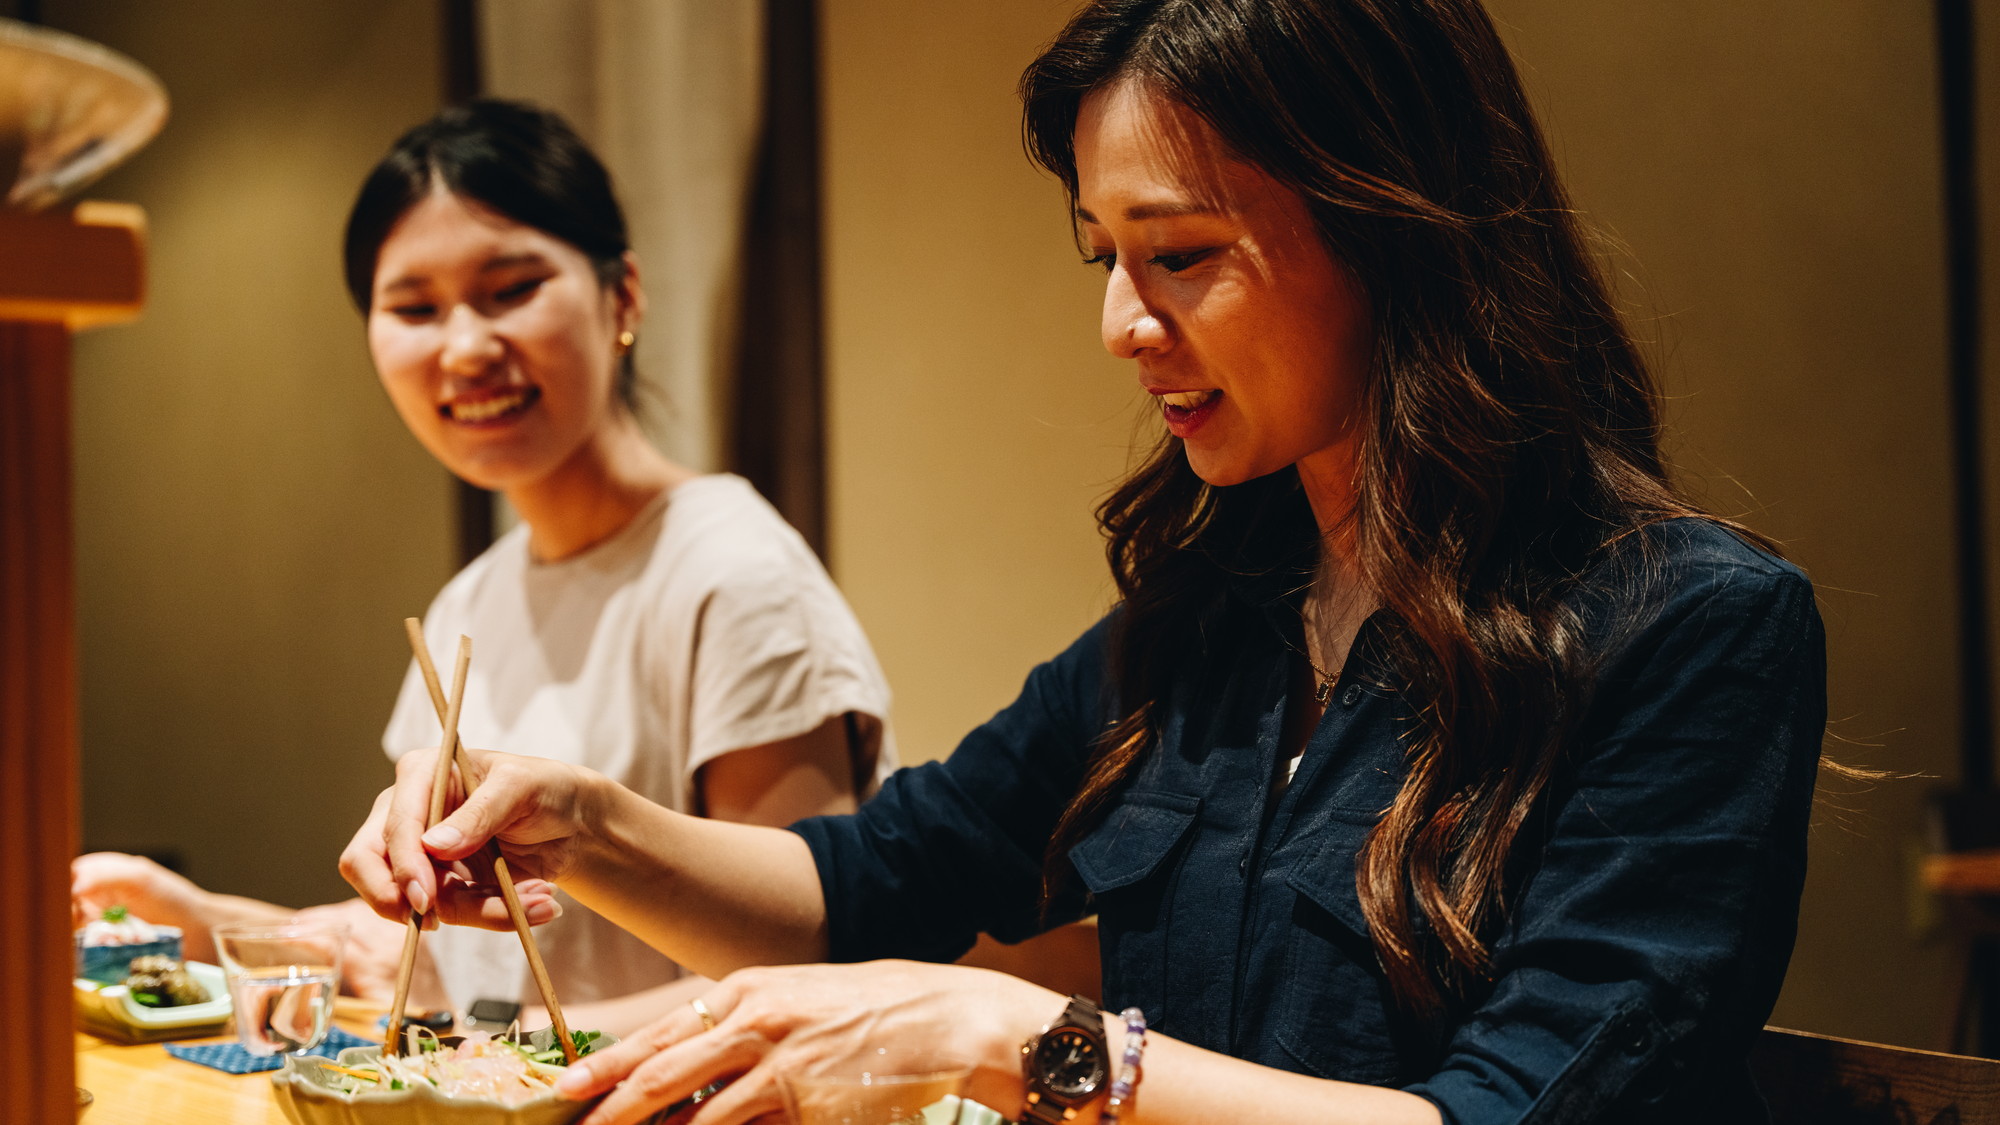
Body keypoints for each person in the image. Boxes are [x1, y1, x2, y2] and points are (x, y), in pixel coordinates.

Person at [343, 3, 1827, 1123]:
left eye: (1178, 255)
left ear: (1398, 237)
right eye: (1103, 255)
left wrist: (1014, 1039)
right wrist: (580, 826)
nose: (1121, 322)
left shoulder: (1687, 628)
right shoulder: (1215, 611)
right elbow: (874, 880)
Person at [72, 99, 897, 1036]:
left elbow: (813, 962)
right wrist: (187, 914)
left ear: (621, 296)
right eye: (414, 308)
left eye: (509, 289)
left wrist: (501, 1056)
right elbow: (431, 960)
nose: (465, 348)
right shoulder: (472, 599)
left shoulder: (731, 572)